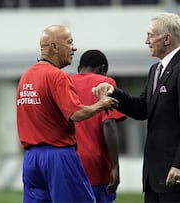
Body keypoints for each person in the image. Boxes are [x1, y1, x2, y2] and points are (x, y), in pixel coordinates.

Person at [16, 25, 118, 203]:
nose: (74, 47)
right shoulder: (57, 76)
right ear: (54, 47)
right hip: (58, 156)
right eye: (69, 42)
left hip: (31, 160)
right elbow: (76, 113)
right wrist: (101, 104)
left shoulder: (26, 77)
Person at [93, 12, 180, 202]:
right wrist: (113, 92)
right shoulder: (155, 70)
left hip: (174, 174)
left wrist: (179, 164)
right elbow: (142, 109)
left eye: (150, 35)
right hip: (154, 175)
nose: (146, 41)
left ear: (166, 39)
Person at [71, 49, 126, 203]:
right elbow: (109, 124)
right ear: (102, 69)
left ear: (79, 68)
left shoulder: (66, 83)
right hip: (97, 165)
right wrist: (115, 165)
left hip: (69, 162)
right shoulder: (106, 83)